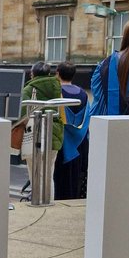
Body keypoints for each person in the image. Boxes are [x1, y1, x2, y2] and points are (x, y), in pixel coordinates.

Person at [21, 62, 63, 204]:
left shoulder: (29, 89)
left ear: (33, 74)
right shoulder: (57, 86)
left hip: (35, 134)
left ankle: (37, 202)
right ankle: (48, 203)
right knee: (48, 173)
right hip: (54, 133)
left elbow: (22, 115)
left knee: (35, 172)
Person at [52, 62, 90, 201]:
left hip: (61, 142)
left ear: (57, 73)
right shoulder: (83, 94)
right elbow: (87, 119)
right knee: (75, 180)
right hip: (79, 144)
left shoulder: (57, 93)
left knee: (58, 180)